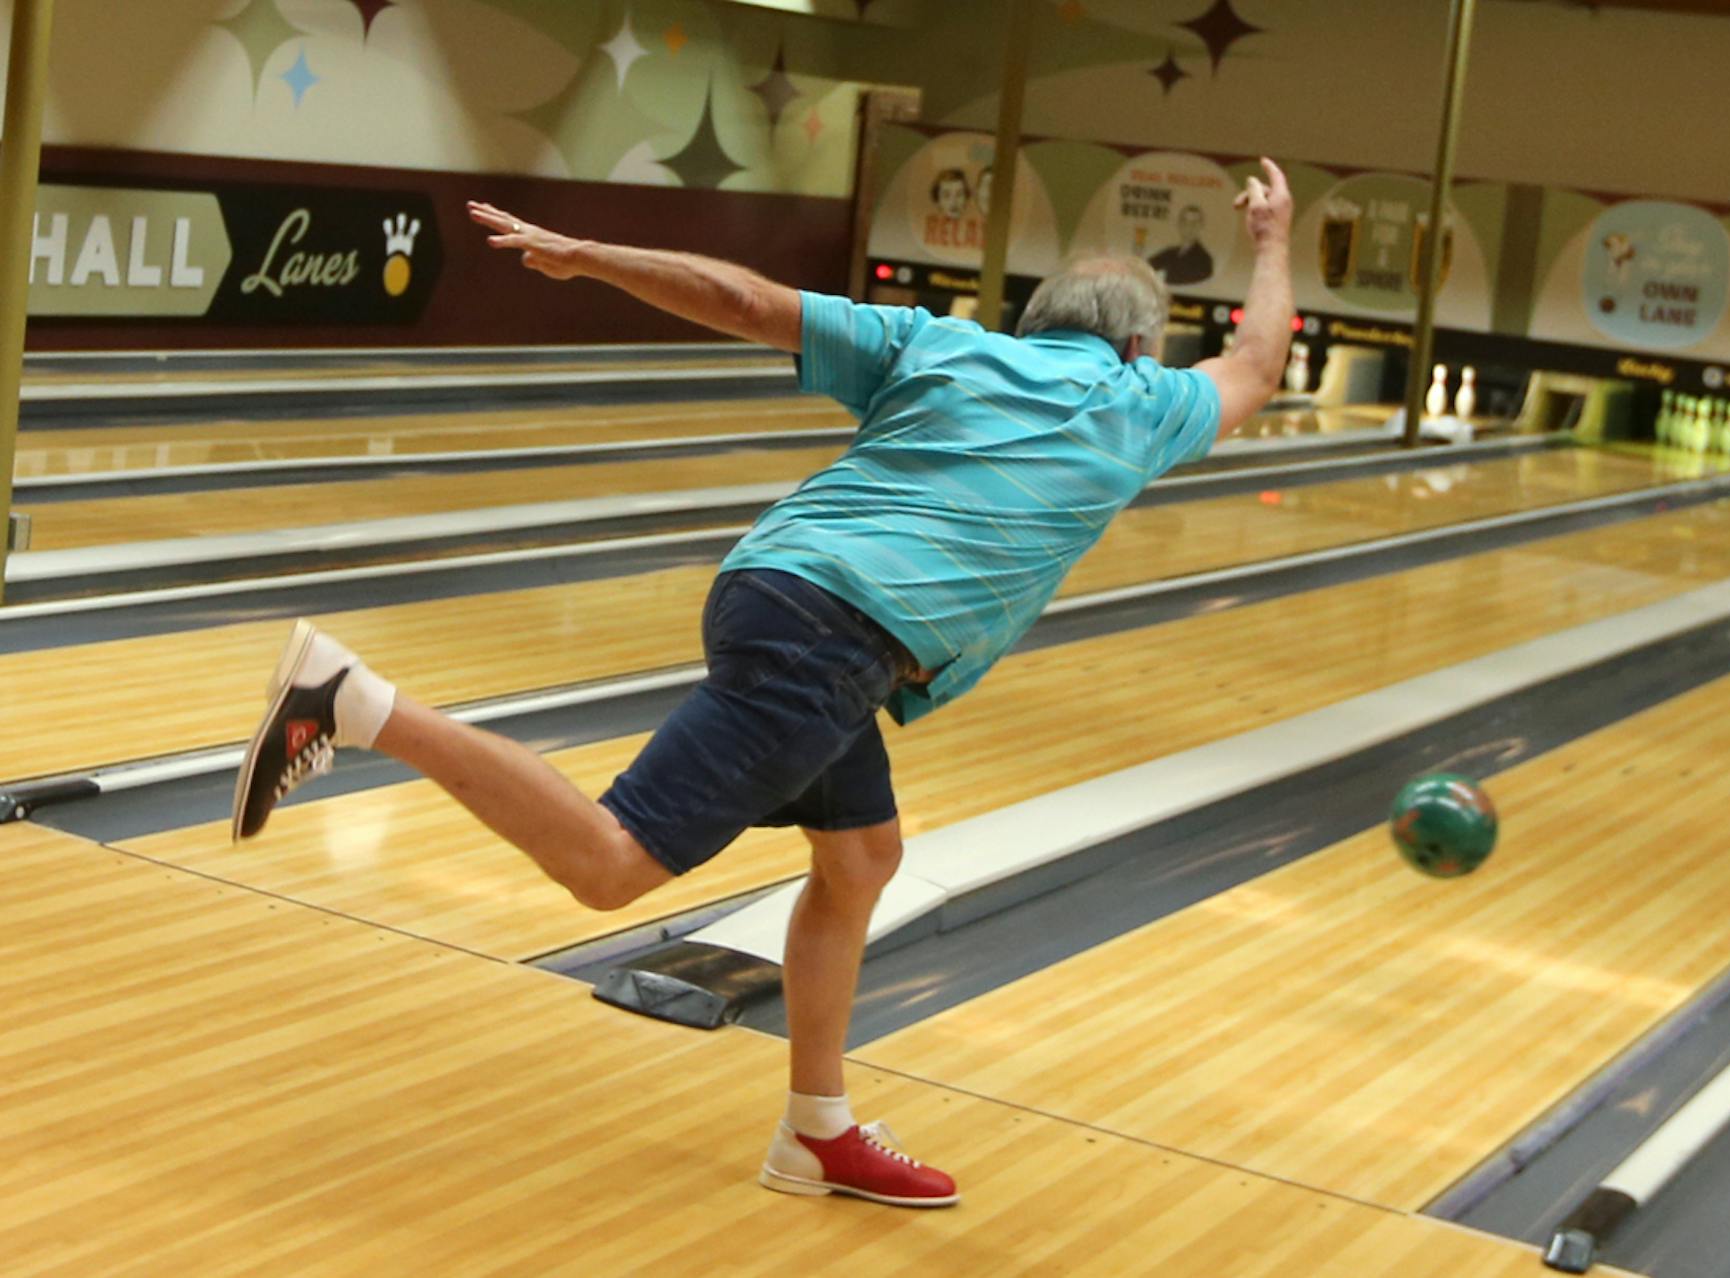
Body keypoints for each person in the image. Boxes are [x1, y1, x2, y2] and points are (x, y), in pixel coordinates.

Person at [231, 157, 1296, 1209]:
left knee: (862, 859)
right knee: (611, 868)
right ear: (1140, 345)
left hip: (772, 589)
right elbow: (1256, 361)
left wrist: (590, 256)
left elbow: (743, 298)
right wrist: (1272, 240)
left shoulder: (935, 342)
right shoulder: (1144, 401)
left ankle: (816, 1132)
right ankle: (353, 703)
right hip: (835, 638)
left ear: (1033, 321)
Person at [1148, 204, 1214, 286]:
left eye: (1194, 223)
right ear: (1179, 224)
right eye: (1185, 221)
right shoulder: (1170, 252)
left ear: (1200, 226)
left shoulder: (1204, 260)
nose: (1189, 226)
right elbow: (1146, 265)